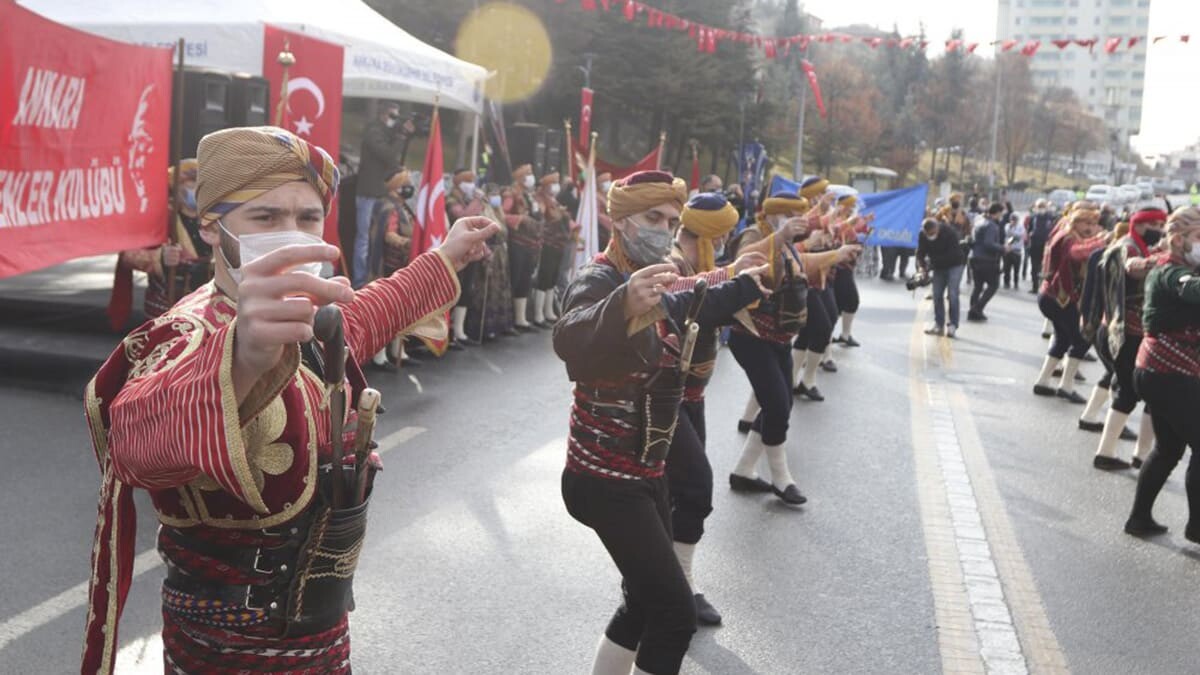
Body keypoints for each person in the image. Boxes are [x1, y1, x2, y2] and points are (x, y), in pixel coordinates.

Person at [81, 126, 498, 674]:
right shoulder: (182, 332)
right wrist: (242, 359)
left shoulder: (311, 315)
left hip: (324, 639)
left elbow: (369, 312)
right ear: (211, 226)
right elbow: (135, 442)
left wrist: (446, 255)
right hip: (223, 652)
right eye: (265, 218)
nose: (291, 234)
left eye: (307, 218)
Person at [554, 171, 765, 675]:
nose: (665, 228)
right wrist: (622, 303)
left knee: (644, 603)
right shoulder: (600, 278)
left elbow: (688, 295)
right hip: (603, 480)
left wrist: (737, 277)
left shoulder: (655, 274)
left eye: (671, 220)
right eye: (653, 218)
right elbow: (569, 338)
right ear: (618, 220)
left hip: (646, 473)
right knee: (674, 614)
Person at [665, 192, 762, 628]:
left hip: (692, 395)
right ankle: (675, 585)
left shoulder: (700, 265)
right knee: (696, 487)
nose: (725, 240)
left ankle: (665, 579)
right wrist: (730, 275)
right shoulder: (671, 262)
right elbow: (677, 295)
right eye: (720, 234)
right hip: (665, 396)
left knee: (679, 493)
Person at [728, 191, 857, 504]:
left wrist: (836, 255)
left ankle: (744, 471)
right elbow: (742, 264)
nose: (797, 222)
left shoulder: (786, 243)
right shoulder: (755, 235)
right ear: (774, 215)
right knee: (777, 404)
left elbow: (802, 262)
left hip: (779, 338)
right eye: (791, 216)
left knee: (780, 402)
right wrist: (778, 237)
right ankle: (781, 478)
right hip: (751, 336)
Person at [1124, 207, 1200, 539]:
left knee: (1169, 448)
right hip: (1168, 371)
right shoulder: (1172, 271)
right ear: (1180, 239)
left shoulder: (1175, 266)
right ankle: (1197, 528)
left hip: (1159, 370)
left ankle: (1139, 518)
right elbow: (1191, 290)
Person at [1091, 208, 1167, 470]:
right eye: (1154, 224)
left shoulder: (1138, 245)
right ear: (1140, 224)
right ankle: (1106, 453)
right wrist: (1168, 257)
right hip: (1124, 332)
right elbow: (1134, 269)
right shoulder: (1129, 248)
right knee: (1129, 392)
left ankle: (1140, 455)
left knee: (1146, 393)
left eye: (1162, 223)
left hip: (1126, 331)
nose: (1159, 228)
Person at [111, 160, 214, 324]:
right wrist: (160, 258)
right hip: (167, 304)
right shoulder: (159, 216)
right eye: (190, 182)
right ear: (175, 186)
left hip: (207, 304)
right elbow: (128, 256)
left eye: (200, 183)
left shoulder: (215, 218)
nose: (195, 189)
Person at [1032, 202, 1109, 402]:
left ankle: (1043, 381)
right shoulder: (1068, 236)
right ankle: (1066, 386)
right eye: (1087, 223)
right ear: (1076, 221)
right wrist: (1101, 241)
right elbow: (1074, 254)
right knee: (1082, 340)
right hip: (1059, 298)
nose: (1091, 228)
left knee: (1063, 339)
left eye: (1093, 223)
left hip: (1053, 296)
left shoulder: (1067, 231)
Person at [355, 101, 414, 288]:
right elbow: (388, 155)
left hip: (379, 192)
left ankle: (371, 276)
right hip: (367, 193)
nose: (394, 120)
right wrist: (401, 134)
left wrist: (404, 133)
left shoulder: (385, 132)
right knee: (363, 239)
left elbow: (395, 155)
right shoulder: (373, 131)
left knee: (374, 238)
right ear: (382, 114)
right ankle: (359, 282)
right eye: (392, 116)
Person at [465, 185, 517, 342]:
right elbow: (479, 236)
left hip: (501, 255)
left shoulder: (498, 212)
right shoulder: (483, 213)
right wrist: (486, 253)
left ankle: (501, 325)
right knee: (486, 291)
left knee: (500, 289)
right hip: (488, 253)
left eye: (497, 194)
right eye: (493, 194)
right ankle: (485, 328)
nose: (496, 197)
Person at [446, 168, 487, 346]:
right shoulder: (451, 200)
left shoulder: (468, 199)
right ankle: (449, 331)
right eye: (467, 181)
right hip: (455, 252)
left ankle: (459, 330)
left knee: (467, 289)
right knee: (454, 289)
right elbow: (462, 217)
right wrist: (476, 201)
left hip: (470, 250)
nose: (471, 184)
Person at [502, 164, 543, 330]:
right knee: (515, 278)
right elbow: (502, 214)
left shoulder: (530, 195)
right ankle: (508, 319)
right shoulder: (510, 194)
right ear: (520, 177)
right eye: (528, 174)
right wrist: (520, 219)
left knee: (525, 280)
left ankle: (521, 319)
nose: (531, 177)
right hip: (517, 242)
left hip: (531, 243)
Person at [533, 171, 574, 326]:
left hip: (559, 243)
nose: (556, 186)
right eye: (553, 183)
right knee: (544, 277)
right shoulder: (540, 199)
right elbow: (543, 215)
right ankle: (538, 315)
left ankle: (548, 311)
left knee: (552, 278)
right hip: (547, 243)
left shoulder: (553, 200)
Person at [916, 217, 968, 337]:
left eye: (933, 233)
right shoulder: (923, 235)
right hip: (938, 266)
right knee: (937, 294)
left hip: (954, 264)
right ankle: (938, 324)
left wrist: (931, 265)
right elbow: (920, 252)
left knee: (952, 294)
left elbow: (951, 255)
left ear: (937, 228)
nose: (931, 236)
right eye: (928, 234)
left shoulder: (949, 232)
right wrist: (922, 267)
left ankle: (953, 325)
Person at [967, 202, 1006, 321]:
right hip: (987, 260)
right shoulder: (991, 226)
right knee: (993, 285)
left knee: (977, 286)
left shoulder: (979, 222)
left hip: (975, 257)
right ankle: (977, 308)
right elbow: (989, 243)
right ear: (997, 213)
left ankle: (974, 311)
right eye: (1001, 213)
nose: (1002, 216)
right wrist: (1003, 248)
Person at [1027, 199, 1056, 293]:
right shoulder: (1033, 217)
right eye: (1039, 206)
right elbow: (1029, 230)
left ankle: (1043, 287)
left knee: (1044, 268)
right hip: (1034, 245)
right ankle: (1035, 287)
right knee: (1034, 267)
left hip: (1045, 246)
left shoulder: (1051, 218)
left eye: (1043, 206)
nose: (1041, 209)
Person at [1002, 212, 1025, 290]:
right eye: (1012, 220)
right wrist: (1011, 228)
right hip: (1008, 250)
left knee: (1016, 269)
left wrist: (1013, 233)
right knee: (1007, 268)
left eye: (1015, 220)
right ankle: (1006, 283)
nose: (1013, 221)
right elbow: (1007, 233)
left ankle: (1016, 283)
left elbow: (1019, 235)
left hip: (1017, 251)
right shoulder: (1007, 226)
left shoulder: (1021, 227)